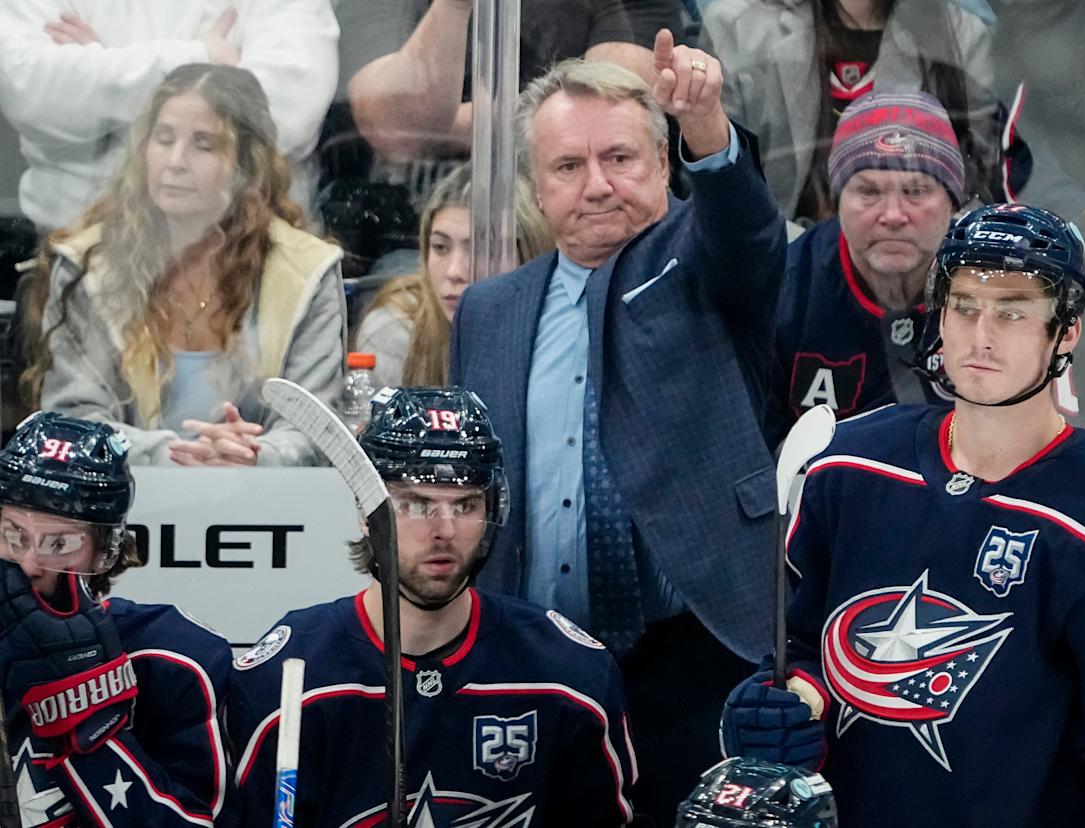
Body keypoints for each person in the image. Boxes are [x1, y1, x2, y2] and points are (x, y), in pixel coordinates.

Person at [721, 203, 1085, 826]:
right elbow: (804, 644)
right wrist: (784, 707)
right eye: (964, 307)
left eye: (1012, 312)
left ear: (1065, 333)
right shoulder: (846, 463)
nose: (980, 336)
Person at [450, 30, 785, 821]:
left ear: (664, 164)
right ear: (536, 186)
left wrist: (706, 127)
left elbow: (748, 234)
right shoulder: (488, 310)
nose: (597, 185)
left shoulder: (699, 261)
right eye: (568, 166)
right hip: (530, 653)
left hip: (698, 652)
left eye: (621, 158)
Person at [227, 386, 635, 825]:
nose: (444, 530)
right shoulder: (290, 673)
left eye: (465, 504)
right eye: (416, 504)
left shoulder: (568, 673)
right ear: (366, 512)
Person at [25, 63, 346, 467]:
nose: (175, 161)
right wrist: (178, 456)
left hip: (265, 510)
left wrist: (252, 457)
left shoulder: (306, 272)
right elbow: (72, 420)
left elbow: (316, 430)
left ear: (247, 165)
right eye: (163, 139)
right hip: (121, 510)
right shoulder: (89, 264)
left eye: (203, 144)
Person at [320, 0, 683, 273]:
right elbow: (395, 128)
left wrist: (444, 124)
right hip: (413, 237)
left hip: (579, 230)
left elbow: (612, 117)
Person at [0, 411, 235, 825]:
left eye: (60, 541)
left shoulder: (175, 657)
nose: (30, 562)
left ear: (104, 550)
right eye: (12, 534)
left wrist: (83, 715)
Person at [0, 0, 338, 230]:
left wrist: (104, 74)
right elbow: (26, 90)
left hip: (248, 253)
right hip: (77, 251)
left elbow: (283, 113)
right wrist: (200, 56)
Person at [768, 90, 961, 445]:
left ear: (953, 201)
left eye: (916, 190)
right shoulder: (784, 290)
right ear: (836, 201)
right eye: (868, 192)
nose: (893, 215)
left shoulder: (995, 287)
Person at [700, 0, 999, 222]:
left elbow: (978, 184)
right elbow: (724, 192)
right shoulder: (736, 26)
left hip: (918, 259)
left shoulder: (962, 35)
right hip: (779, 260)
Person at [352, 164, 554, 388]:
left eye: (479, 250)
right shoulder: (395, 332)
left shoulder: (559, 329)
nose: (454, 272)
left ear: (529, 253)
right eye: (440, 247)